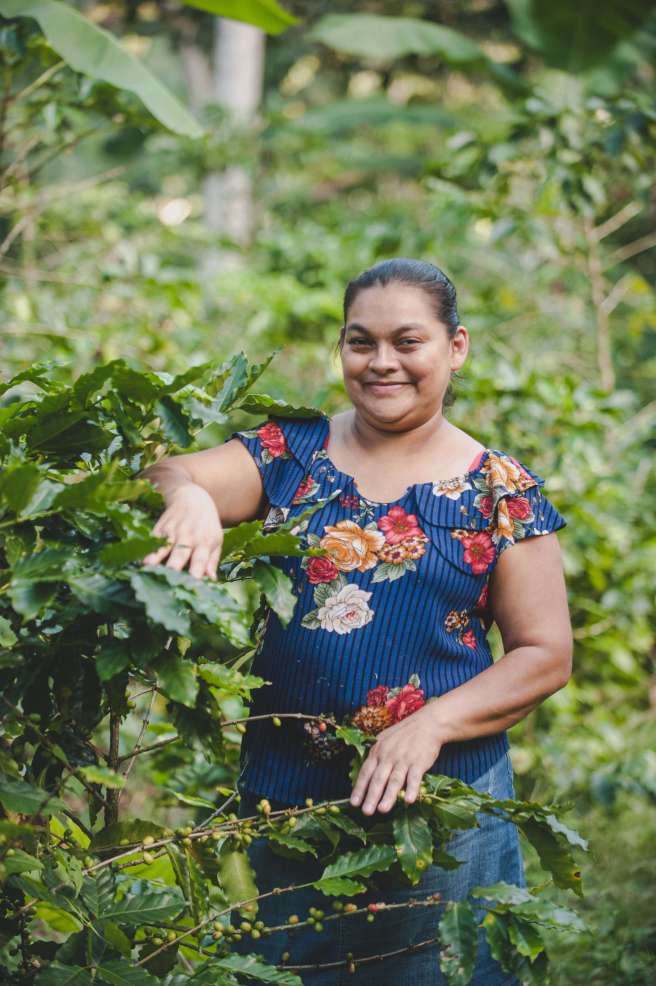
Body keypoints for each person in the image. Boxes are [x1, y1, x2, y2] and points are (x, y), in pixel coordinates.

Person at [141, 258, 572, 985]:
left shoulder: (499, 489)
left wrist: (429, 724)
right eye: (359, 342)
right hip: (292, 801)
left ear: (454, 347)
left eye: (408, 342)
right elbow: (163, 469)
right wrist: (189, 499)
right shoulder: (290, 454)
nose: (382, 363)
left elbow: (544, 653)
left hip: (439, 808)